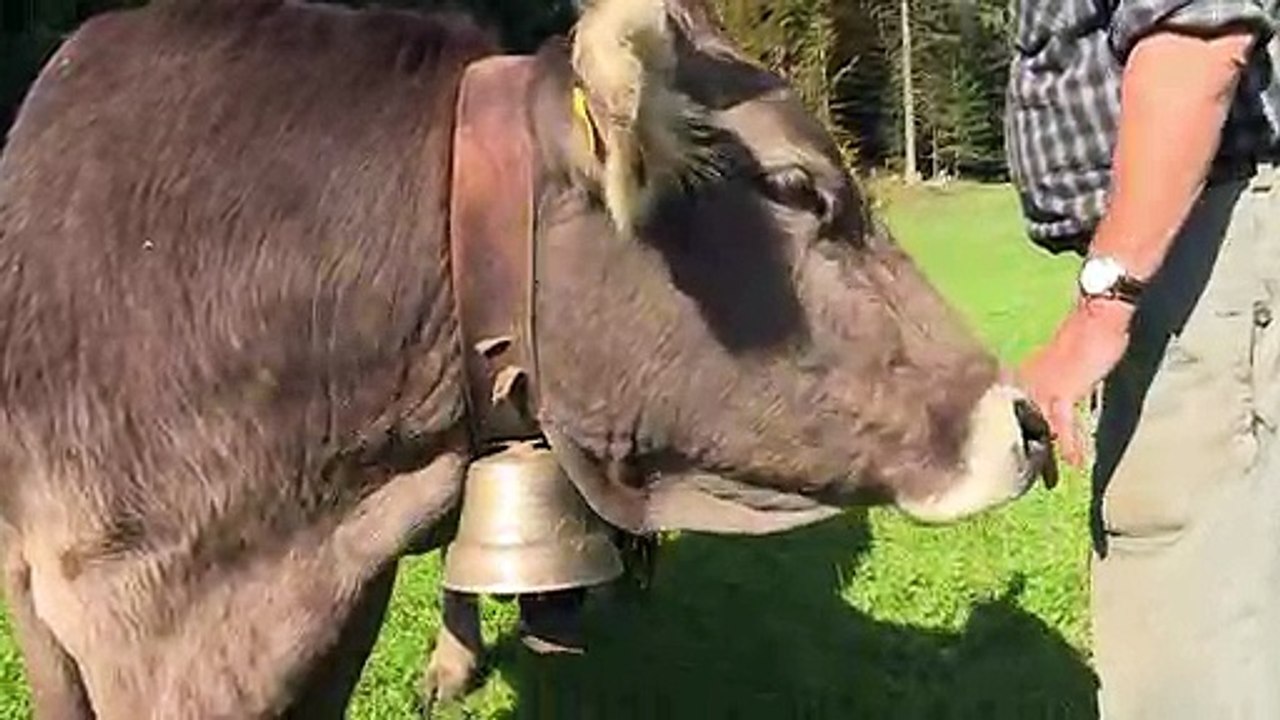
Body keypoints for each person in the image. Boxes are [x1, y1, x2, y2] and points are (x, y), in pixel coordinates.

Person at [1006, 2, 1280, 718]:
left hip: (1206, 244)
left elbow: (1200, 35)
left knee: (1190, 607)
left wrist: (1106, 301)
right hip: (1187, 240)